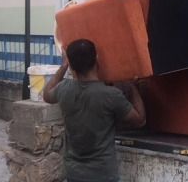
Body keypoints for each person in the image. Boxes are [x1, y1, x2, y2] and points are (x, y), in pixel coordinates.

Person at [43, 39, 146, 182]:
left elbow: (46, 94)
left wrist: (64, 64)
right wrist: (134, 87)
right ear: (97, 59)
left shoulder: (64, 89)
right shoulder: (111, 95)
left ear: (71, 65)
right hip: (102, 175)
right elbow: (140, 120)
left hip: (73, 173)